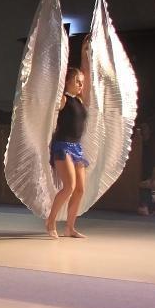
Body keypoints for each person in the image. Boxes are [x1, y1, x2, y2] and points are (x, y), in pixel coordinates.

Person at [45, 65, 89, 239]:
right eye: (77, 81)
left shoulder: (79, 100)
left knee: (80, 189)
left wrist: (86, 55)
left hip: (76, 147)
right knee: (69, 186)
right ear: (68, 81)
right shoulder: (63, 99)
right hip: (62, 145)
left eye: (82, 82)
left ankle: (70, 228)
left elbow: (87, 75)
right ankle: (50, 221)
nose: (80, 85)